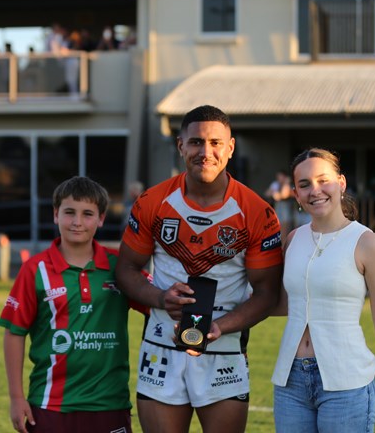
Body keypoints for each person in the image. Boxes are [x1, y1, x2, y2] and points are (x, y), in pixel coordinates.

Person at [115, 104, 283, 433]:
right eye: (195, 143)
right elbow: (126, 270)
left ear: (231, 147)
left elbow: (266, 293)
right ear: (181, 146)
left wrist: (221, 326)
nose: (205, 152)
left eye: (215, 143)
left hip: (224, 349)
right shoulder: (153, 202)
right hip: (162, 345)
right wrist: (161, 298)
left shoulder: (257, 212)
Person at [272, 148, 375, 433]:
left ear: (341, 183)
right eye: (304, 184)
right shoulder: (294, 239)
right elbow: (284, 303)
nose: (315, 190)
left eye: (324, 180)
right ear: (295, 194)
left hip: (347, 384)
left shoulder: (367, 243)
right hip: (290, 382)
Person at [0, 176, 144, 433]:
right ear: (56, 215)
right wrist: (16, 397)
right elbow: (14, 332)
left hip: (109, 403)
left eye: (87, 214)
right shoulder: (36, 269)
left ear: (101, 218)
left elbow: (157, 301)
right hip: (50, 405)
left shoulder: (119, 265)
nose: (77, 222)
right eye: (69, 212)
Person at [264, 169, 294, 239]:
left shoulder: (289, 185)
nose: (279, 178)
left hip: (287, 209)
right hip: (278, 209)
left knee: (285, 230)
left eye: (280, 176)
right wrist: (274, 193)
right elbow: (267, 193)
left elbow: (284, 194)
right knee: (278, 229)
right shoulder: (275, 184)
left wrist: (286, 183)